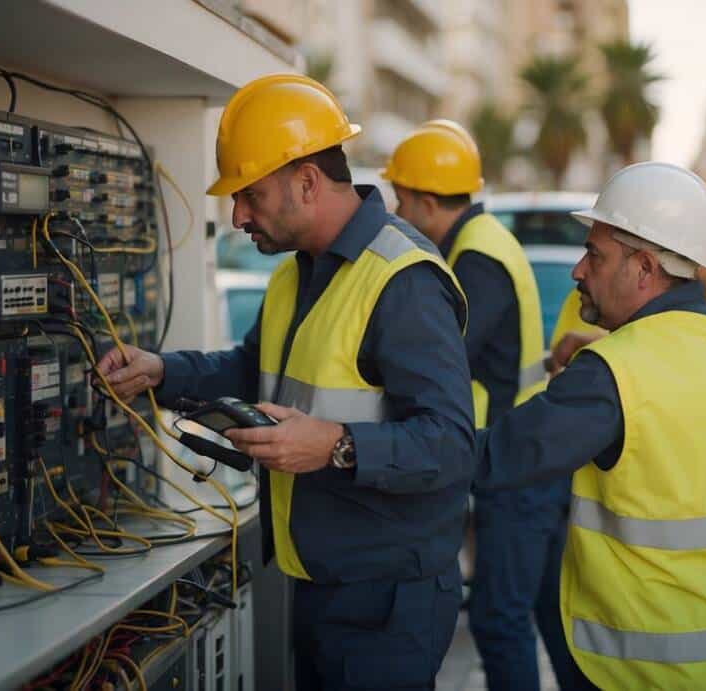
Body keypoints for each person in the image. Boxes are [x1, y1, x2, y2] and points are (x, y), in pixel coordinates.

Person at [96, 74, 475, 691]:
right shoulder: (297, 276)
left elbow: (452, 445)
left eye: (250, 194)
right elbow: (253, 371)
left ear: (307, 181)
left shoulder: (402, 280)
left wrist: (334, 445)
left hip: (387, 597)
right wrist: (162, 372)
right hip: (324, 580)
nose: (239, 215)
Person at [475, 161, 706, 690]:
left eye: (594, 254)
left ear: (643, 269)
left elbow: (493, 456)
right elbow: (674, 386)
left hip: (647, 665)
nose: (578, 271)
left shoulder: (612, 375)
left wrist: (350, 447)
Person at [382, 119, 572, 690]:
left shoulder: (477, 257)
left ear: (423, 200)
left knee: (499, 619)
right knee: (542, 611)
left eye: (400, 199)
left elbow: (445, 358)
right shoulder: (479, 242)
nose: (395, 211)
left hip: (517, 466)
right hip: (528, 458)